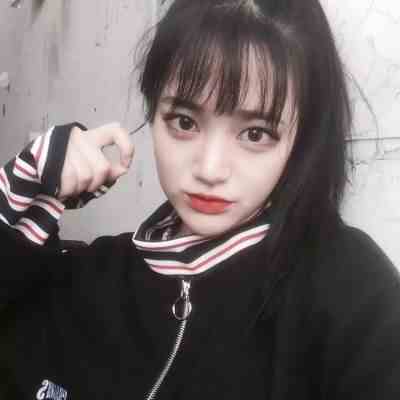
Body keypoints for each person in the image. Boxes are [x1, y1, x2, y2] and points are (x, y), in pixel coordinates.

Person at [1, 0, 400, 399]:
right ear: (153, 113)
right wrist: (25, 188)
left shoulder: (352, 294)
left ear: (302, 137)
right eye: (185, 122)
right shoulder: (93, 280)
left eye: (255, 133)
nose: (210, 169)